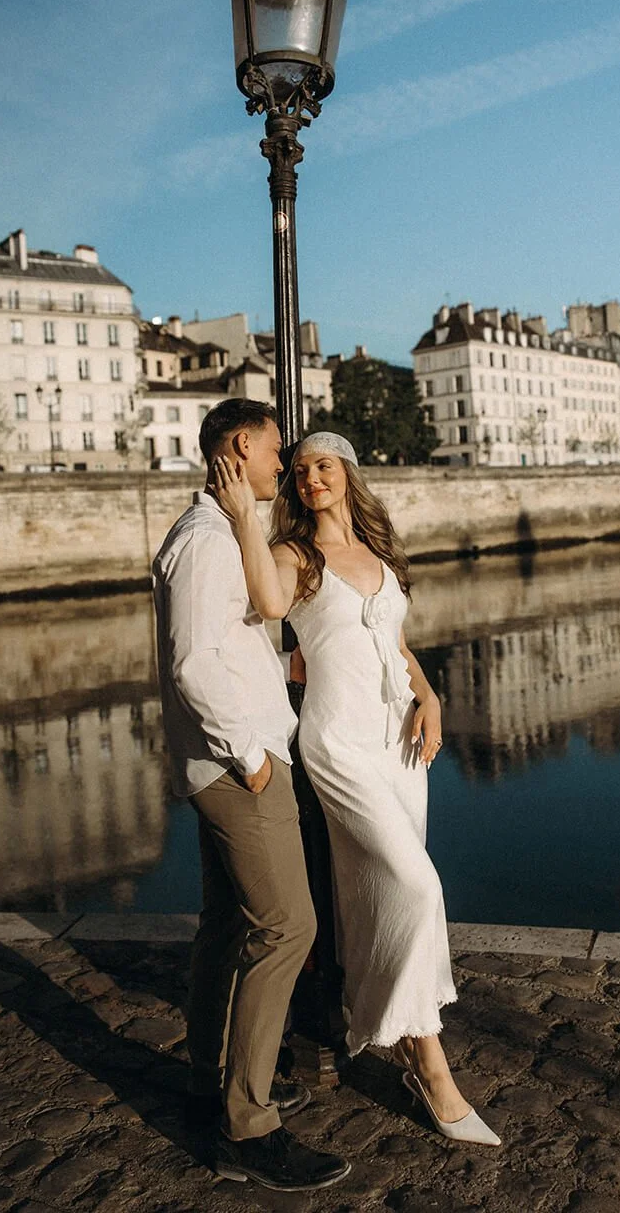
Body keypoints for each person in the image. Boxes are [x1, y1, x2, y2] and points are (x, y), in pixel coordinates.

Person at [210, 430, 501, 1146]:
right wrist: (247, 519)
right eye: (300, 468)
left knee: (376, 893)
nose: (310, 477)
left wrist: (428, 694)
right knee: (415, 886)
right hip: (338, 742)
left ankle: (392, 1032)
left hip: (399, 739)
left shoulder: (378, 550)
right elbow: (273, 608)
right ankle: (429, 1066)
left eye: (323, 466)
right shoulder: (294, 555)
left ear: (346, 474)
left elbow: (393, 642)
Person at [151, 400, 351, 1192]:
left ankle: (211, 1082)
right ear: (240, 447)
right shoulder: (205, 543)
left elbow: (225, 647)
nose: (282, 467)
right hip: (238, 767)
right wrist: (254, 760)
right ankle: (248, 1121)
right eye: (276, 452)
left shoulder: (205, 533)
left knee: (226, 926)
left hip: (220, 762)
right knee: (286, 928)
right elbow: (195, 663)